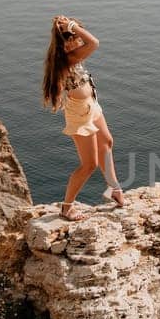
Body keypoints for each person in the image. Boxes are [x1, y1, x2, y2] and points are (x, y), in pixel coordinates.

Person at [41, 15, 126, 219]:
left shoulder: (72, 56)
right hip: (80, 115)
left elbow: (89, 42)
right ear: (68, 41)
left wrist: (70, 26)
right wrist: (72, 26)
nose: (80, 41)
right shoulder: (67, 59)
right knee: (89, 165)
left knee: (107, 141)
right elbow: (94, 42)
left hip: (91, 106)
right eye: (75, 37)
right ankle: (67, 207)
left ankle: (114, 189)